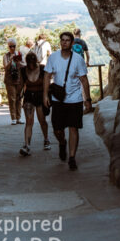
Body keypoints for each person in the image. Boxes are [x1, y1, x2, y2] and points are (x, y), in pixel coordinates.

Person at [43, 31, 92, 171]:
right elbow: (47, 76)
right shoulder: (53, 58)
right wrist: (45, 95)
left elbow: (84, 80)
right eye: (62, 40)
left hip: (75, 99)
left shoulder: (78, 59)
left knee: (73, 127)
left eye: (67, 40)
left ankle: (72, 157)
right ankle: (62, 142)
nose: (64, 42)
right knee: (57, 129)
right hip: (58, 99)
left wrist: (87, 99)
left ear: (72, 43)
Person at [18, 51, 51, 156]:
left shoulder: (42, 69)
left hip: (40, 96)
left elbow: (47, 83)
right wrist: (19, 96)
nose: (31, 66)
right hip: (29, 97)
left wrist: (46, 97)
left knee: (42, 120)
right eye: (29, 64)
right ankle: (27, 145)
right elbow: (20, 85)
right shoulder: (23, 70)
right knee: (29, 121)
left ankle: (46, 139)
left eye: (33, 63)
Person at [2, 39, 24, 124]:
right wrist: (11, 60)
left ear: (16, 46)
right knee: (12, 99)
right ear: (8, 46)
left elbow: (24, 65)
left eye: (14, 46)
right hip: (9, 80)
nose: (12, 48)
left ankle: (19, 118)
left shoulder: (19, 54)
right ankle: (13, 118)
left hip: (19, 79)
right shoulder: (6, 56)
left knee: (19, 98)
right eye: (10, 46)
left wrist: (19, 62)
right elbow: (5, 68)